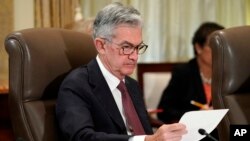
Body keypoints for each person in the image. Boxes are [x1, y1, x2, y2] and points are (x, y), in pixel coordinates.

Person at [56, 2, 187, 141]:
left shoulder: (132, 85)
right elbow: (82, 138)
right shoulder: (77, 85)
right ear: (101, 46)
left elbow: (145, 132)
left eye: (138, 47)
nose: (135, 56)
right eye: (126, 47)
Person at [157, 22, 224, 140]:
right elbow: (164, 111)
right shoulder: (183, 73)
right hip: (192, 136)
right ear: (198, 47)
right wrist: (197, 115)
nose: (219, 51)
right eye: (213, 46)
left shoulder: (229, 74)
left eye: (222, 46)